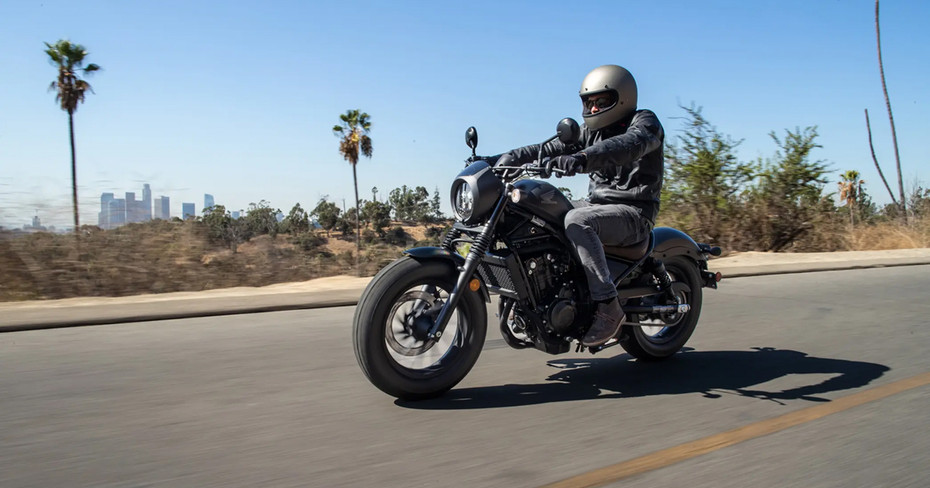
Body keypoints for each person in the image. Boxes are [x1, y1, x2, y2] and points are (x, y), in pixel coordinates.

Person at [491, 64, 665, 348]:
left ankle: (608, 304)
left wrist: (582, 158)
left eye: (602, 102)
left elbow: (629, 145)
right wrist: (499, 159)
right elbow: (543, 150)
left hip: (633, 213)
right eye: (590, 103)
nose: (594, 109)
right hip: (596, 206)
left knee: (576, 221)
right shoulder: (589, 132)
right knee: (532, 211)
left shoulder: (644, 123)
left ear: (622, 99)